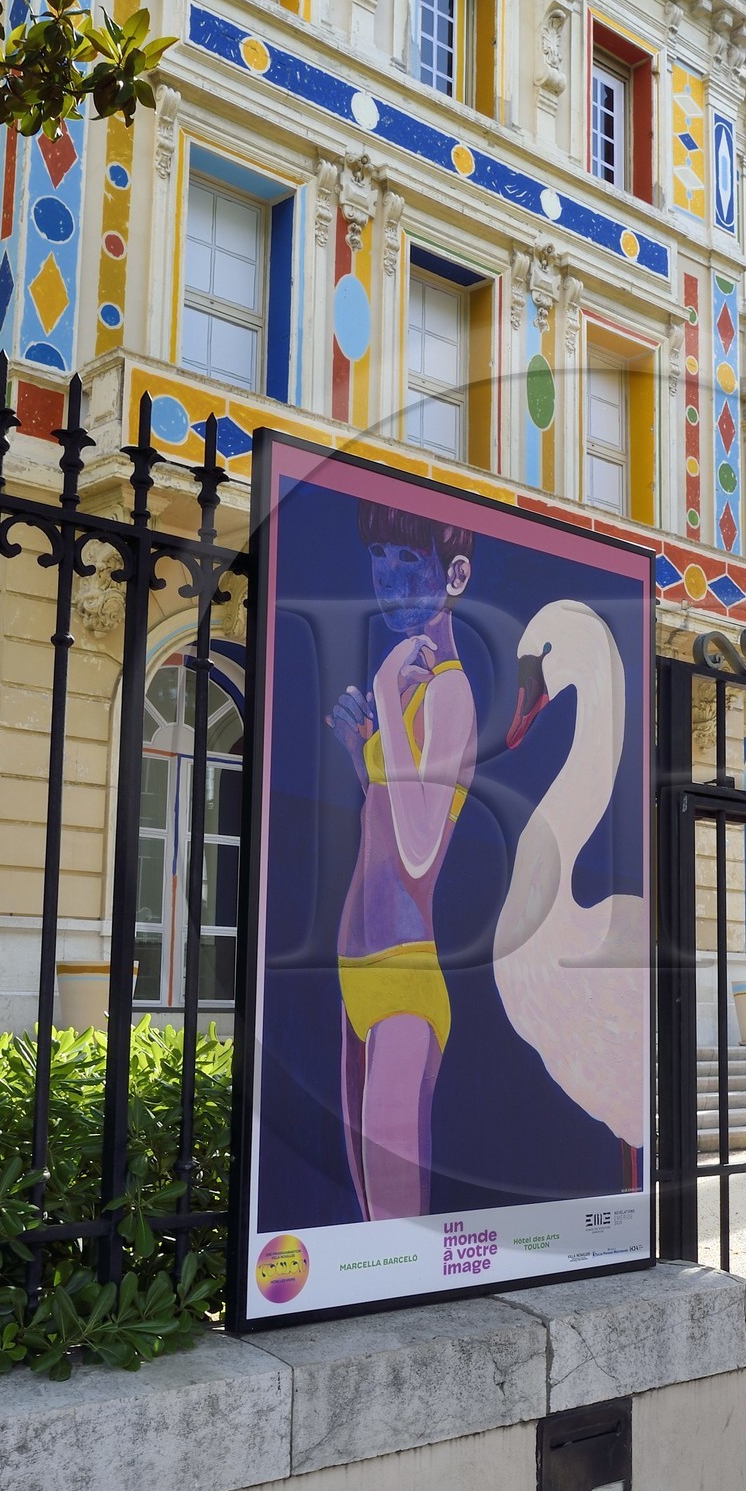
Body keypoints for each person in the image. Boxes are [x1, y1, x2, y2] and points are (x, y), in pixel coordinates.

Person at [327, 502, 477, 1223]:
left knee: (395, 1230)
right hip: (358, 975)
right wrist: (362, 756)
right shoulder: (416, 686)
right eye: (379, 554)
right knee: (370, 1228)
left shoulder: (446, 690)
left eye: (407, 559)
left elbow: (420, 850)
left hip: (405, 985)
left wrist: (387, 692)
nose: (388, 576)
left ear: (453, 573)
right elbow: (387, 818)